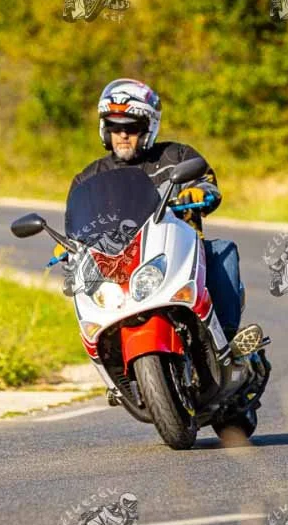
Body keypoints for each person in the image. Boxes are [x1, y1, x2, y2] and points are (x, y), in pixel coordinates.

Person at [68, 78, 262, 359]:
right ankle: (111, 360)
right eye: (114, 127)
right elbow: (78, 223)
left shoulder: (177, 156)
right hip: (120, 268)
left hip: (179, 253)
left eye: (131, 127)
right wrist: (66, 245)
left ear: (149, 127)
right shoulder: (88, 178)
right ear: (104, 129)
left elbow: (206, 183)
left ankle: (229, 341)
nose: (122, 135)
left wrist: (199, 191)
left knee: (222, 251)